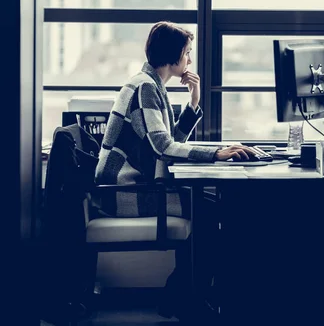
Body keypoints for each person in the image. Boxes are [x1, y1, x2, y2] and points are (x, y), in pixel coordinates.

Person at [94, 21, 256, 322]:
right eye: (188, 53)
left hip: (136, 186)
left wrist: (193, 104)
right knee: (212, 213)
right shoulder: (144, 87)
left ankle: (183, 297)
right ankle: (184, 298)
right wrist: (216, 154)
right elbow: (163, 147)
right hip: (125, 193)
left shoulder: (151, 85)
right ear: (174, 56)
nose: (190, 60)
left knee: (214, 211)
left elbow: (167, 143)